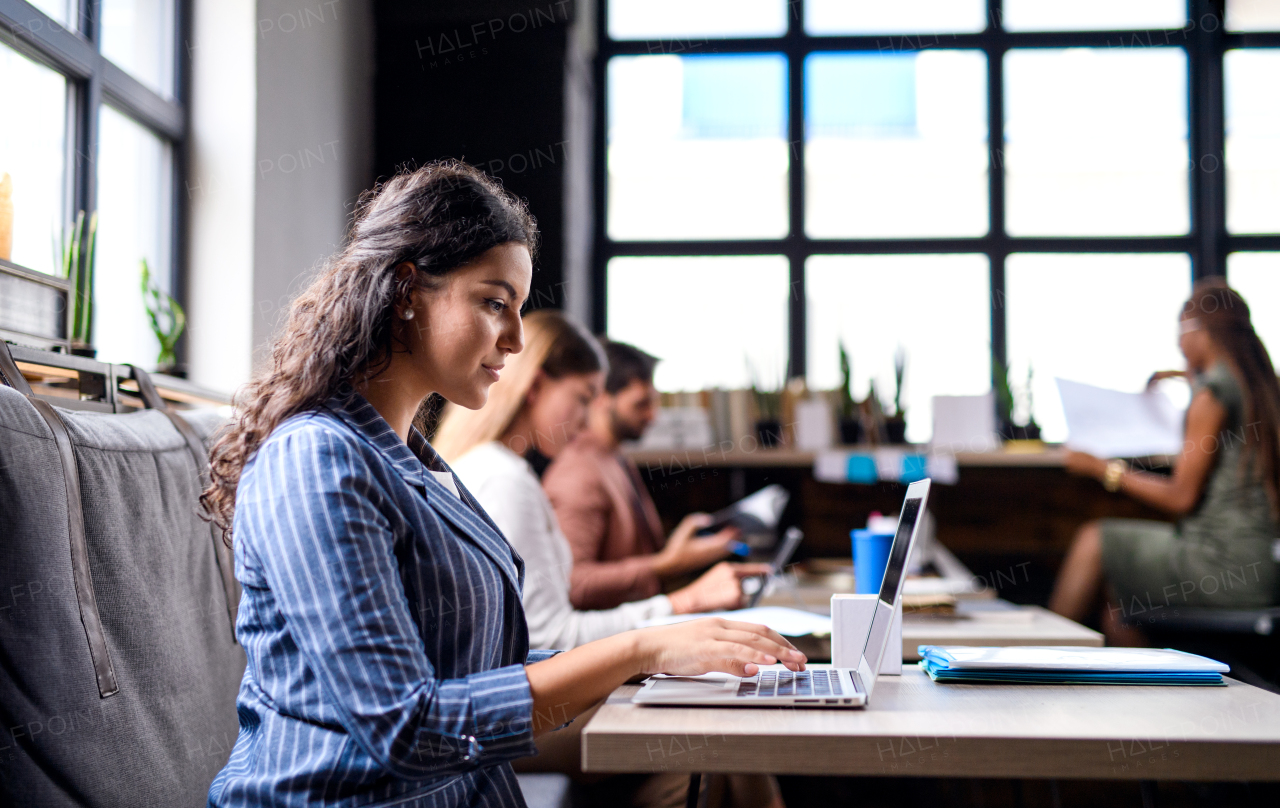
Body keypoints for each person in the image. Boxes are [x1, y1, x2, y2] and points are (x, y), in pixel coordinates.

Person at [200, 160, 805, 808]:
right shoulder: (317, 461)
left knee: (729, 767)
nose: (516, 339)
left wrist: (669, 653)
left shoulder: (419, 461)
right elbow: (406, 727)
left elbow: (486, 666)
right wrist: (641, 645)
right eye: (495, 304)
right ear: (407, 291)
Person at [433, 310, 770, 650]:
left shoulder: (498, 469)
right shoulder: (505, 481)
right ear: (535, 386)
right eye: (582, 399)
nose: (585, 422)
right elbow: (547, 637)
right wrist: (683, 604)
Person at [1049, 279, 1280, 644]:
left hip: (1222, 561)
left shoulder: (1214, 393)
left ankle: (1037, 658)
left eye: (1181, 331)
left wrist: (1100, 468)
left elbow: (1180, 497)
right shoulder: (1257, 383)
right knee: (1121, 607)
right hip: (1261, 564)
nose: (1177, 343)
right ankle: (1158, 692)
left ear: (1200, 330)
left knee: (1094, 540)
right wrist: (1178, 377)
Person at [543, 340, 740, 610]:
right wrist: (666, 564)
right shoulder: (578, 473)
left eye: (654, 402)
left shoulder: (614, 458)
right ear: (600, 397)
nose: (652, 416)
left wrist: (678, 553)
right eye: (640, 404)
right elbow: (574, 583)